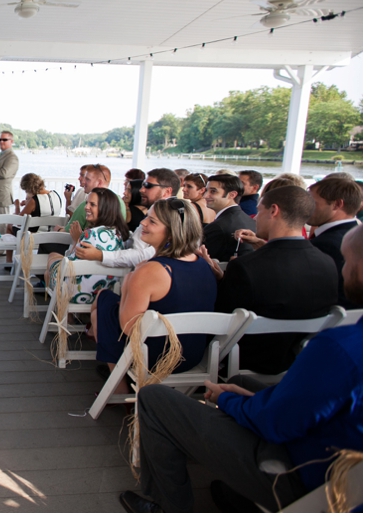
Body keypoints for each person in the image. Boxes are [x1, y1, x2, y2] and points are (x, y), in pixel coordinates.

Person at [118, 224, 363, 514]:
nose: (343, 269)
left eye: (347, 261)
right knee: (241, 379)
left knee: (154, 399)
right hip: (339, 456)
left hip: (306, 476)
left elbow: (276, 424)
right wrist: (249, 397)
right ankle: (240, 493)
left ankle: (166, 504)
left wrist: (227, 400)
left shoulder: (342, 348)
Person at [206, 186, 338, 375]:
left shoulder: (247, 266)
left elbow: (222, 321)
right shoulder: (327, 262)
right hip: (299, 359)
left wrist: (219, 281)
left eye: (259, 211)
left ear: (274, 211)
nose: (256, 218)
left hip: (244, 360)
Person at [91, 197, 216, 396]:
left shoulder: (152, 270)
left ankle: (119, 389)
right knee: (106, 300)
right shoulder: (201, 263)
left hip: (157, 358)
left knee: (105, 303)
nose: (142, 223)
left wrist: (128, 282)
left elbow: (128, 328)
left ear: (172, 230)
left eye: (152, 221)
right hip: (193, 355)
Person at [74, 168, 180, 268]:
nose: (142, 190)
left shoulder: (171, 214)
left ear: (167, 191)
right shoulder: (158, 209)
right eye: (143, 185)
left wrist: (101, 255)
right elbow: (136, 243)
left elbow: (147, 254)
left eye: (148, 185)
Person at [45, 188, 130, 305]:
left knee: (52, 259)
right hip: (105, 291)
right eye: (87, 203)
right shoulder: (118, 233)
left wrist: (76, 241)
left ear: (104, 209)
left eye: (92, 204)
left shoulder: (90, 234)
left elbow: (70, 266)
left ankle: (63, 315)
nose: (86, 207)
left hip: (79, 293)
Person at [307, 176, 363, 308]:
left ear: (337, 204)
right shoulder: (356, 234)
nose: (306, 208)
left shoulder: (325, 245)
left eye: (312, 203)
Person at [202, 173, 256, 261]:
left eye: (213, 191)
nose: (205, 196)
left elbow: (204, 260)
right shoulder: (249, 220)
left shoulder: (218, 226)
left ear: (232, 195)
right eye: (206, 191)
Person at [67, 164, 125, 230]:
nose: (83, 182)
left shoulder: (87, 205)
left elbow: (68, 231)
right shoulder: (119, 202)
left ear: (99, 183)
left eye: (87, 179)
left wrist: (59, 230)